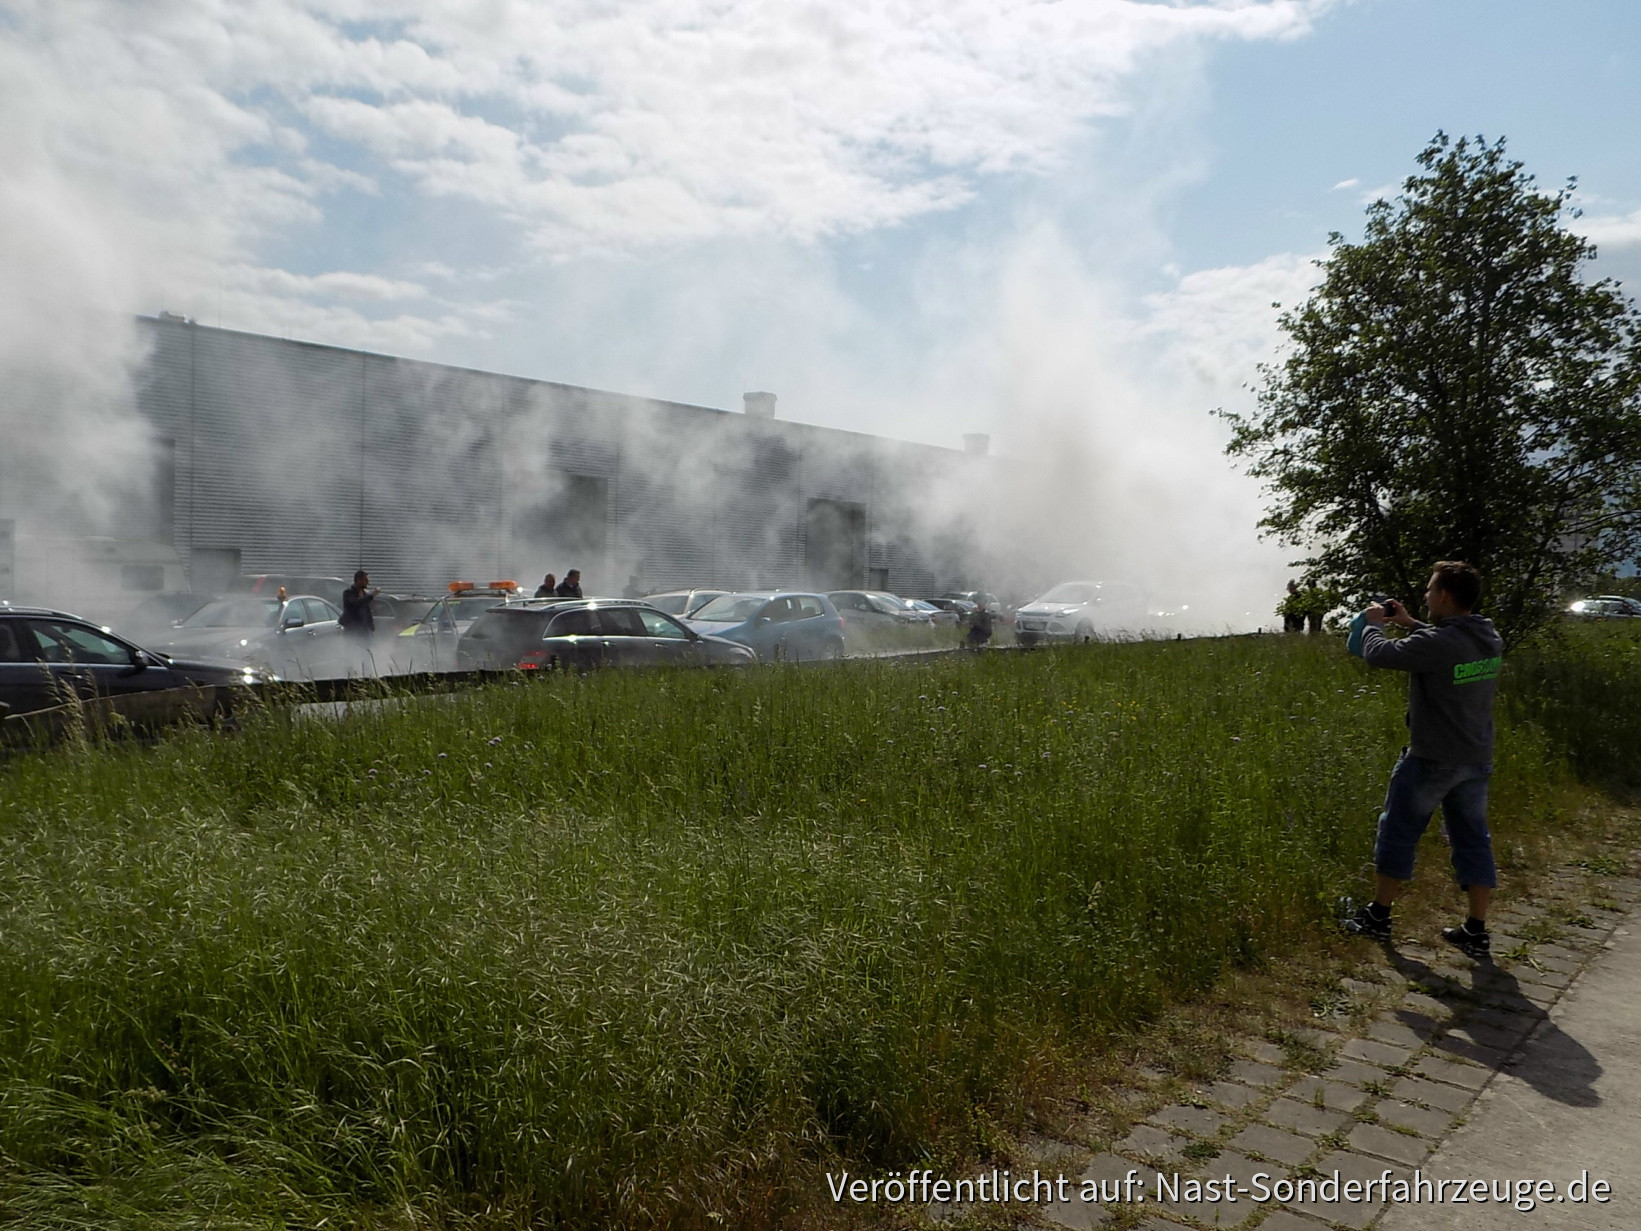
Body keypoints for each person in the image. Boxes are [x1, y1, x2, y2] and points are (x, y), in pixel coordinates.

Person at [1341, 561, 1504, 959]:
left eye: (1431, 591)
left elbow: (1379, 655)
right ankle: (1476, 929)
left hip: (1433, 758)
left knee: (1398, 830)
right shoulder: (1487, 636)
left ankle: (1378, 917)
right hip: (1475, 757)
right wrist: (1411, 622)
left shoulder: (1441, 643)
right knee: (1473, 841)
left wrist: (1374, 623)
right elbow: (1447, 646)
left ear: (1445, 596)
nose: (1427, 595)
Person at [339, 570, 379, 636]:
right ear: (358, 580)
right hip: (352, 629)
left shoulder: (364, 594)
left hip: (365, 630)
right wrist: (371, 595)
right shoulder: (348, 592)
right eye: (365, 580)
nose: (368, 583)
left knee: (367, 646)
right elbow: (355, 603)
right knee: (352, 646)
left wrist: (371, 627)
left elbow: (367, 611)